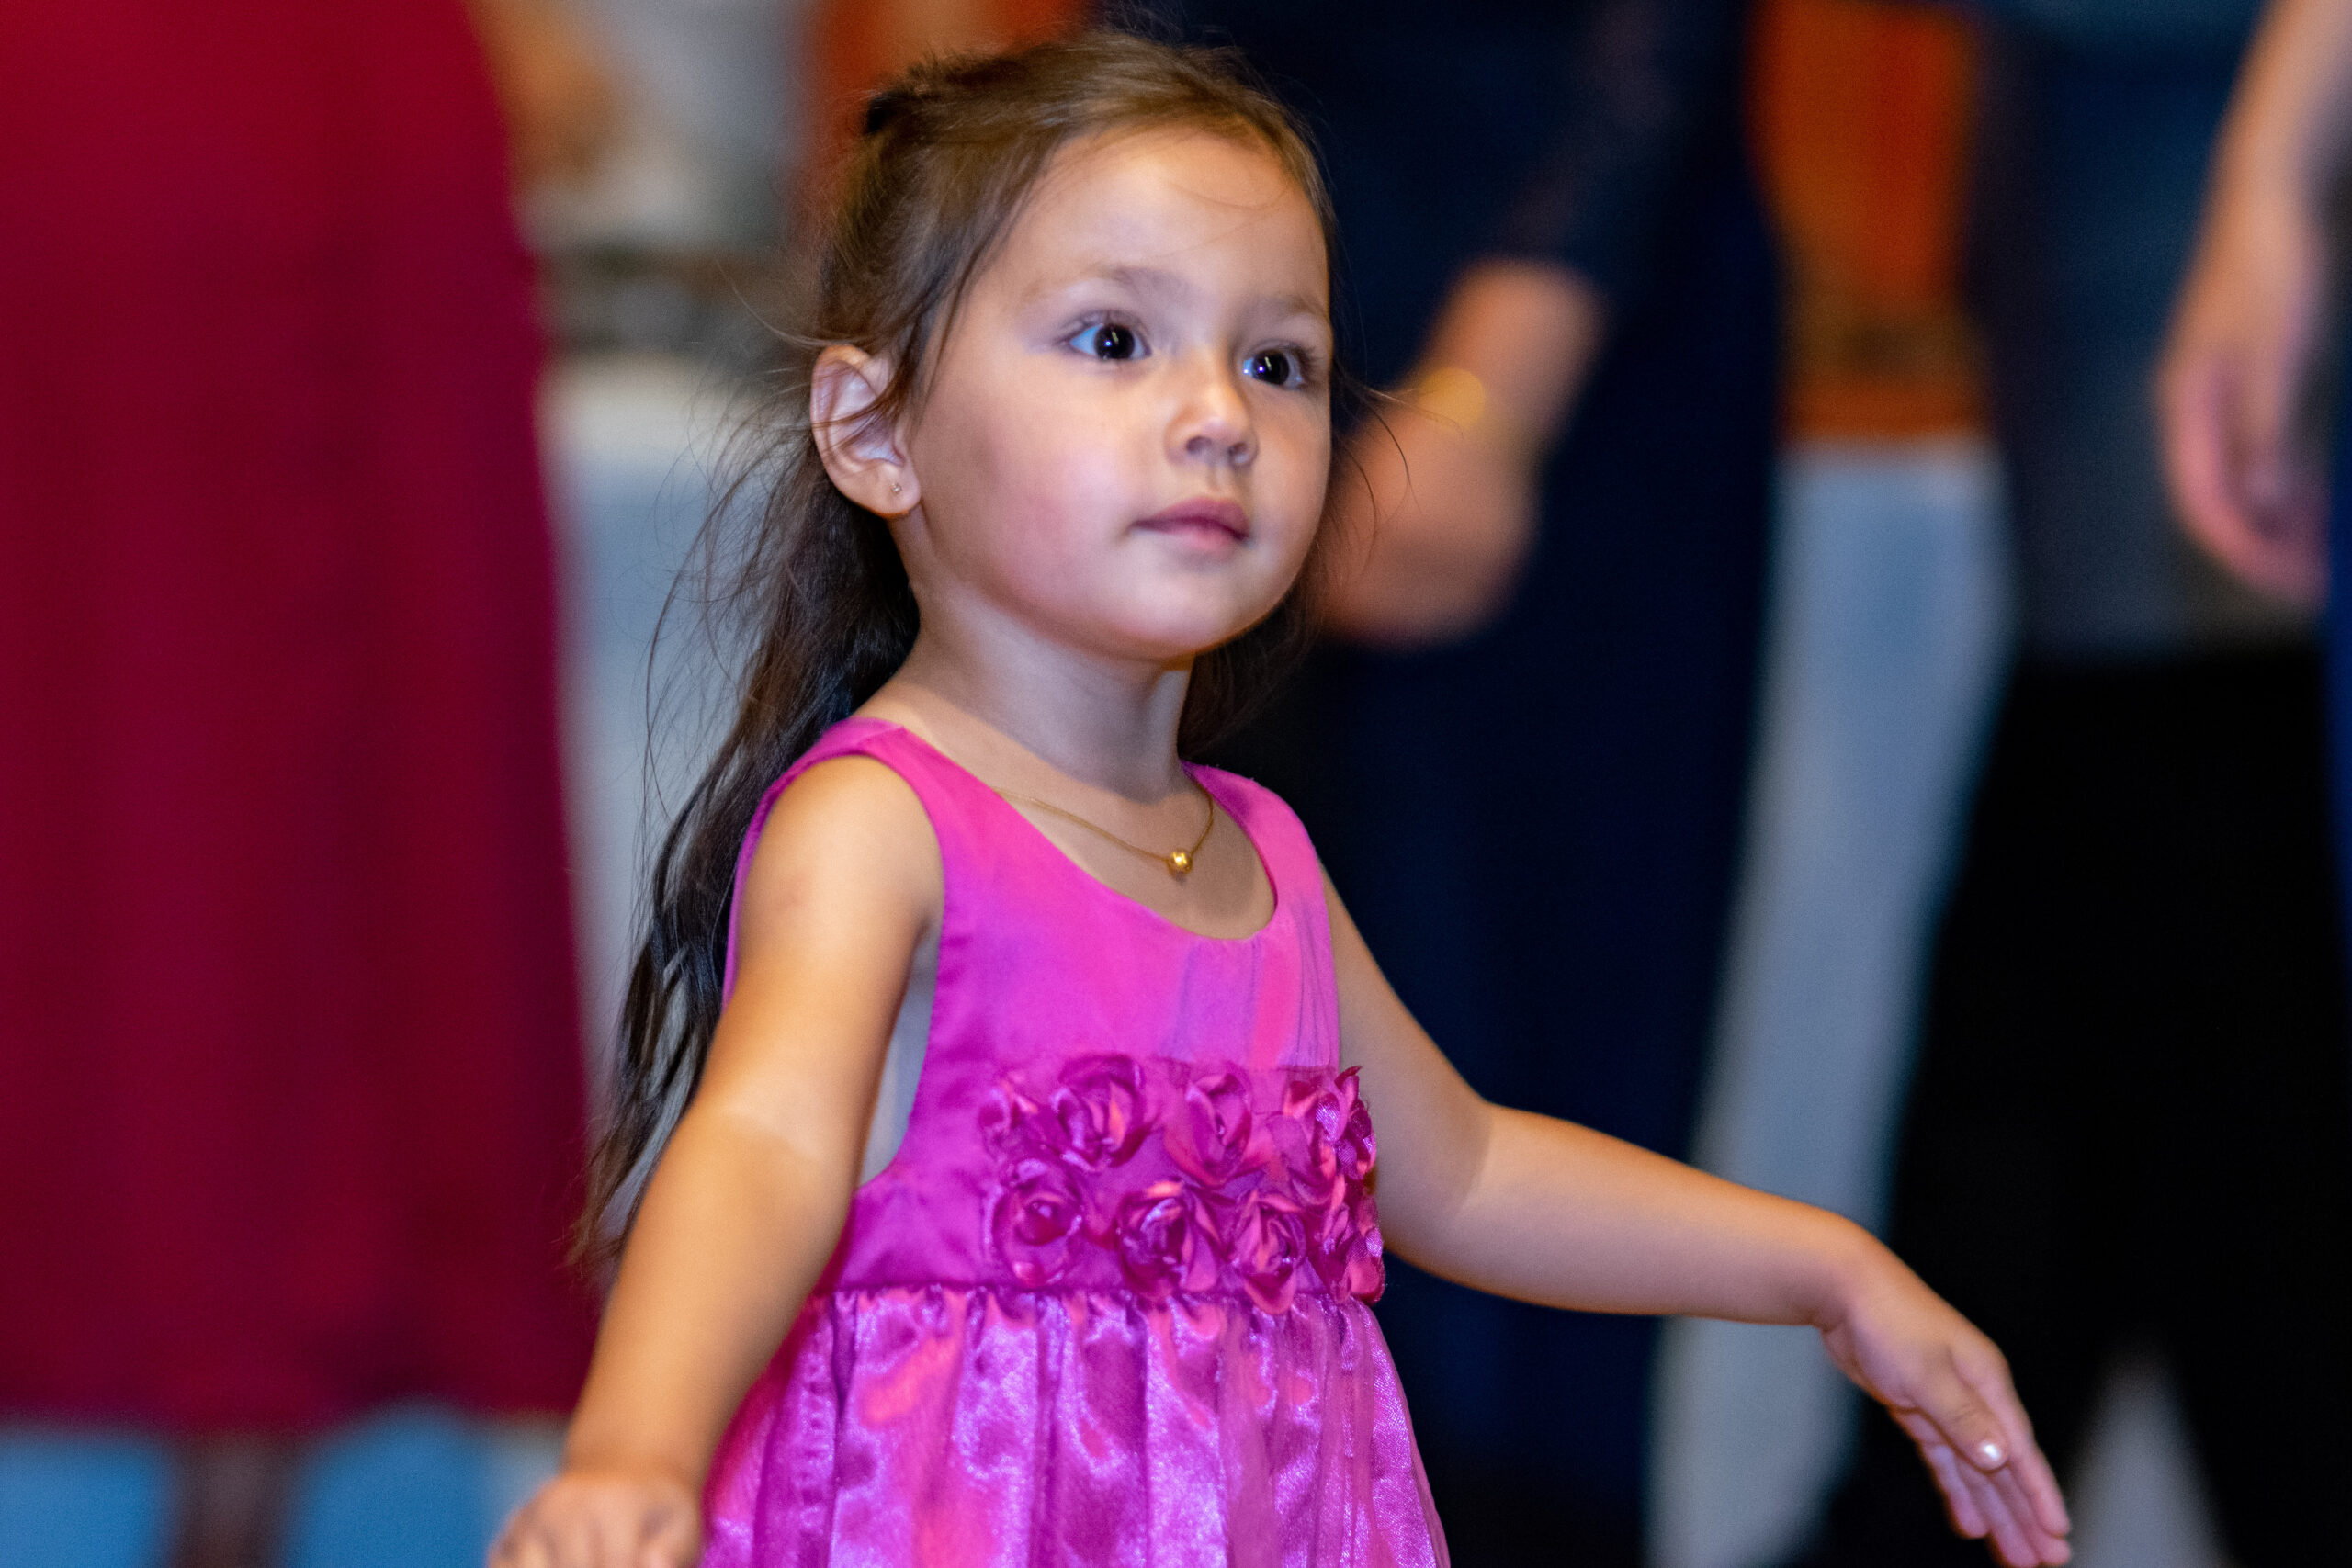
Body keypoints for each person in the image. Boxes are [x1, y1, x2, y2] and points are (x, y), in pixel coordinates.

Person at [487, 33, 2069, 1568]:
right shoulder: (885, 828)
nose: (1219, 415)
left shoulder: (1263, 856)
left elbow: (1467, 1171)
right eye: (1116, 340)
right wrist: (637, 1447)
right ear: (873, 431)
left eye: (1278, 362)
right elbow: (764, 1143)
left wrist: (1823, 1268)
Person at [1137, 4, 1775, 1555]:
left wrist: (1494, 392)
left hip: (1552, 326)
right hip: (1233, 294)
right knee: (1238, 1082)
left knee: (1514, 1037)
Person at [0, 1, 608, 1562]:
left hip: (332, 120)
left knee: (284, 775)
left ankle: (246, 1422)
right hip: (187, 119)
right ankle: (234, 1420)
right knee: (159, 739)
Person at [1787, 3, 2352, 1562]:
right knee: (2073, 1269)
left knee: (2247, 1307)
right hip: (2126, 544)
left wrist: (2264, 176)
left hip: (2234, 569)